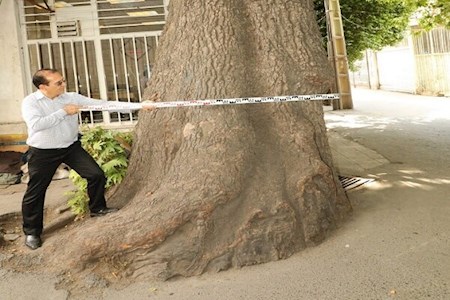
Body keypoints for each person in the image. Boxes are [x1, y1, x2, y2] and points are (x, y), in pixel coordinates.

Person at [21, 68, 156, 250]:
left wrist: (140, 106)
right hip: (43, 151)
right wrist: (63, 112)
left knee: (96, 175)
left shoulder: (71, 97)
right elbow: (36, 125)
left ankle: (98, 209)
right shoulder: (31, 102)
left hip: (70, 147)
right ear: (43, 86)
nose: (63, 85)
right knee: (36, 192)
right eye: (58, 83)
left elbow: (103, 104)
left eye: (63, 80)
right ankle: (32, 232)